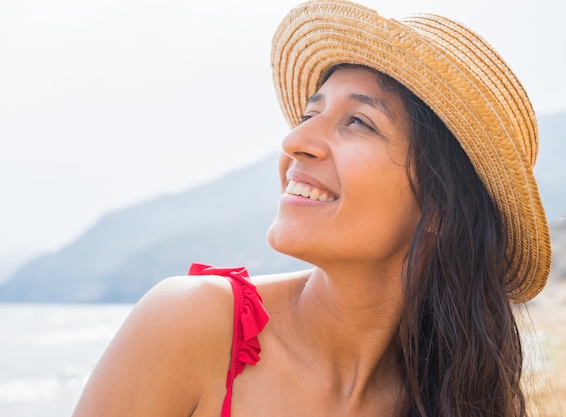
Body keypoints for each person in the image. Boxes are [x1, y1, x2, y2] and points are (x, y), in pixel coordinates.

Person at [72, 1, 552, 416]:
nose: (296, 141)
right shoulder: (187, 325)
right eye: (309, 114)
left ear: (443, 207)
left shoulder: (456, 396)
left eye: (359, 122)